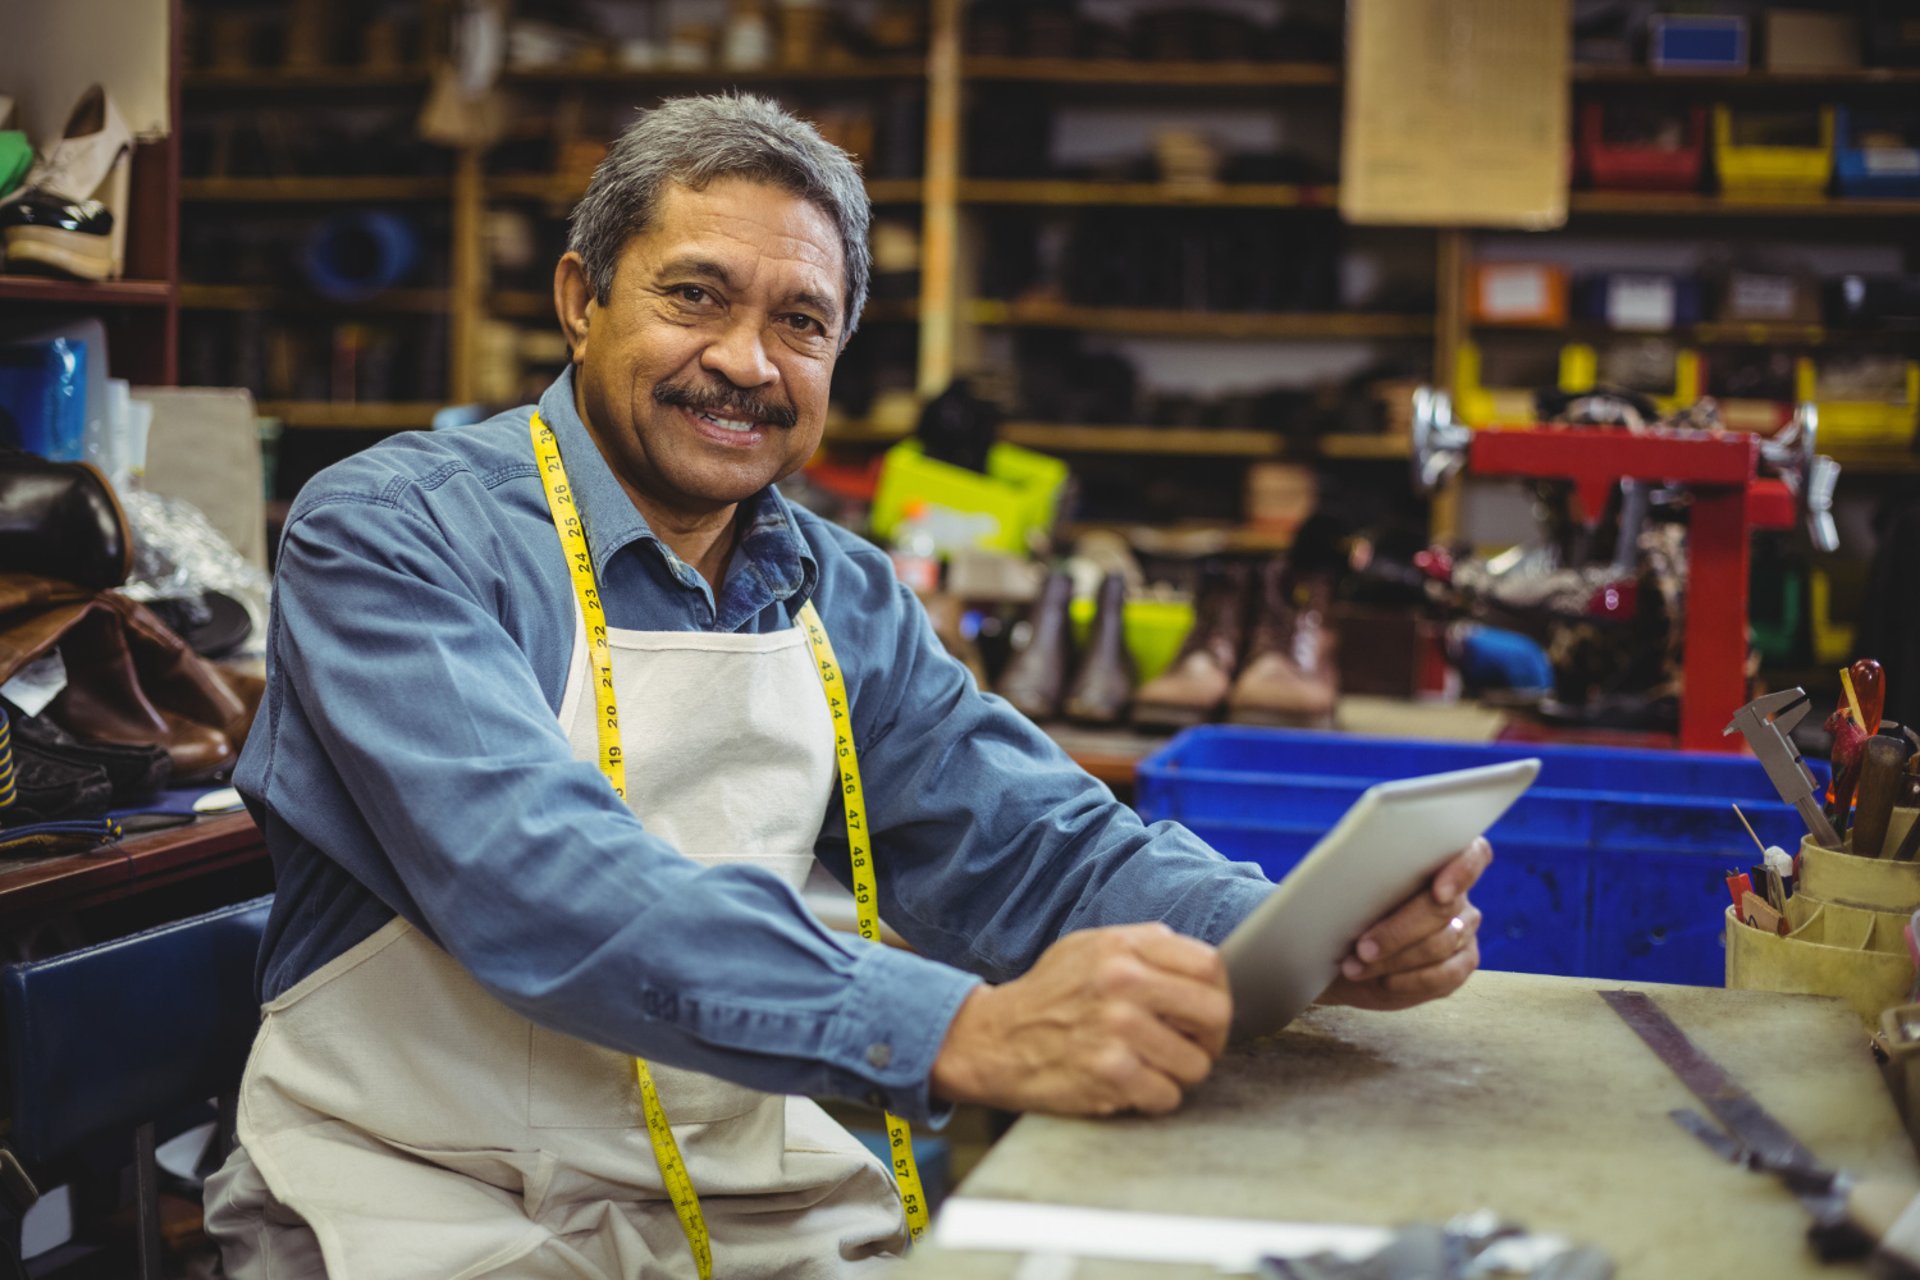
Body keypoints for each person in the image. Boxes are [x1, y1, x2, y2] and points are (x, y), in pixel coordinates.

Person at [204, 94, 1491, 1279]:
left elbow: (1034, 846)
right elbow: (537, 876)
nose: (749, 362)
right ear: (580, 298)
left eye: (799, 322)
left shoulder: (840, 589)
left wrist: (1296, 935)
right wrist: (948, 1032)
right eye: (696, 296)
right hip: (419, 1198)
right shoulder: (393, 532)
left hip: (736, 1198)